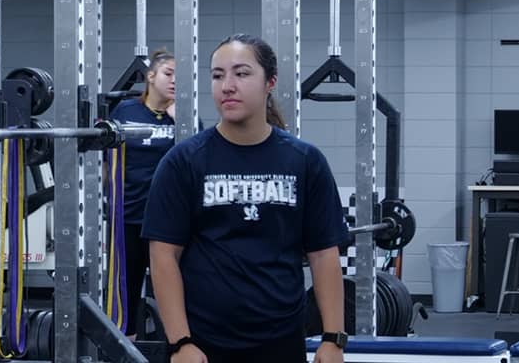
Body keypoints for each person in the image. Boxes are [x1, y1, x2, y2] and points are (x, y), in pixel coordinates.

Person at [143, 35, 350, 363]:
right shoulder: (184, 161)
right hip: (203, 343)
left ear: (270, 82)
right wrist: (180, 342)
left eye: (241, 73)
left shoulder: (304, 161)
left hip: (282, 341)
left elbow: (324, 255)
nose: (227, 85)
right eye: (217, 75)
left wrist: (333, 338)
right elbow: (163, 256)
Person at [104, 48, 178, 339]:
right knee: (127, 291)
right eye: (169, 74)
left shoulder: (184, 116)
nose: (175, 81)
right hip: (129, 217)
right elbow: (104, 159)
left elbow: (197, 158)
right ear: (151, 76)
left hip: (168, 223)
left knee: (172, 289)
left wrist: (178, 117)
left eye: (180, 77)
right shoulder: (125, 112)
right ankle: (127, 348)